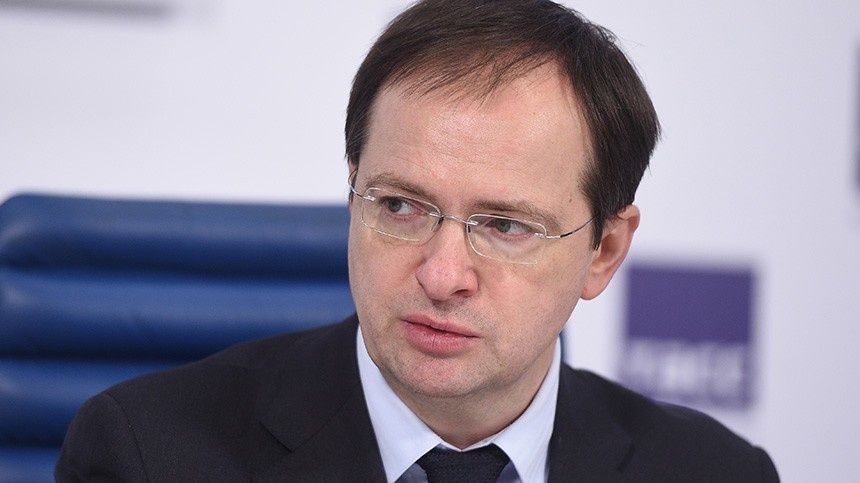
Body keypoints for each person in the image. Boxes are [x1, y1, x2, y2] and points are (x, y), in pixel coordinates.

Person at [56, 0, 779, 481]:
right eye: (401, 206)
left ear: (604, 251)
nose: (442, 274)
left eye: (505, 225)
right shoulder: (145, 453)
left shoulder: (715, 473)